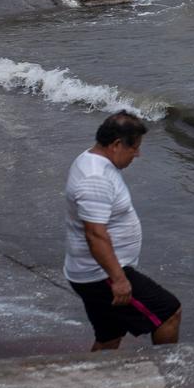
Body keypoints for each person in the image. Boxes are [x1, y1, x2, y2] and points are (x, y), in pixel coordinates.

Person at [64, 111, 181, 351]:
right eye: (134, 148)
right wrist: (118, 279)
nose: (137, 154)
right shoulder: (95, 178)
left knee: (109, 336)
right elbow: (95, 235)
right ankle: (166, 368)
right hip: (101, 275)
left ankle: (95, 371)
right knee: (168, 312)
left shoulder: (91, 160)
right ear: (117, 144)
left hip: (91, 271)